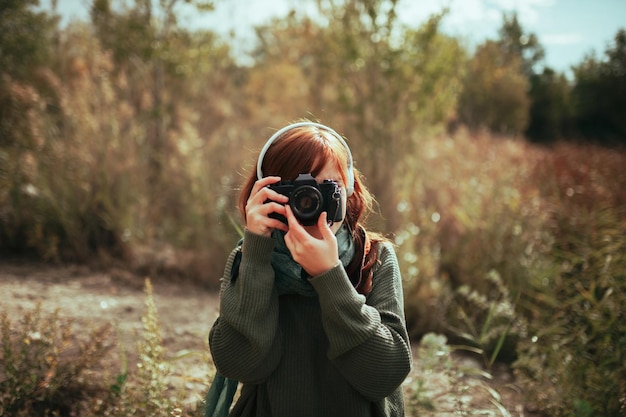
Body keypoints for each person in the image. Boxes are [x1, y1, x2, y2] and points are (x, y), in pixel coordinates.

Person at [208, 120, 412, 417]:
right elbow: (239, 364)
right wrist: (256, 252)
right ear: (267, 194)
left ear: (349, 189)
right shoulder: (251, 257)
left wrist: (330, 277)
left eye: (327, 188)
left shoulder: (373, 258)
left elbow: (385, 375)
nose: (311, 201)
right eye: (297, 190)